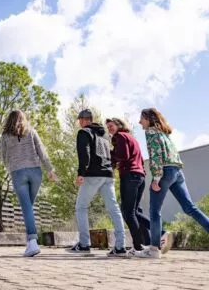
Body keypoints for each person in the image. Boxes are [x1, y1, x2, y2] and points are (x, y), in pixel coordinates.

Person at [137, 108, 209, 258]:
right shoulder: (164, 134)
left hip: (163, 172)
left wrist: (156, 178)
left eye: (142, 119)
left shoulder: (150, 132)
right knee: (190, 208)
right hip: (177, 171)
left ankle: (154, 249)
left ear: (149, 119)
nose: (140, 122)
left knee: (154, 211)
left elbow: (156, 155)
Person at [68, 109, 127, 257]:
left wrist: (81, 173)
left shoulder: (84, 133)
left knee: (81, 207)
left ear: (83, 120)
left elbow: (84, 153)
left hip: (93, 175)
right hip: (108, 175)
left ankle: (84, 244)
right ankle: (120, 247)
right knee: (114, 209)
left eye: (80, 120)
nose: (79, 123)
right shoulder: (105, 135)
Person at [1, 109, 56, 257]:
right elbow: (42, 152)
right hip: (35, 172)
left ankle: (32, 242)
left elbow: (4, 156)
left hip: (18, 173)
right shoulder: (31, 131)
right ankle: (30, 242)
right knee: (28, 207)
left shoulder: (5, 135)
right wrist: (50, 170)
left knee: (26, 207)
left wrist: (11, 166)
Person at [106, 118, 151, 255]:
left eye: (111, 126)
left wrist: (110, 153)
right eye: (108, 127)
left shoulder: (119, 136)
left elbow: (123, 156)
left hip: (130, 176)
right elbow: (140, 159)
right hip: (140, 176)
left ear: (118, 125)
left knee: (128, 212)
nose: (109, 129)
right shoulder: (132, 138)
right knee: (135, 211)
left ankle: (138, 246)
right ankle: (152, 239)